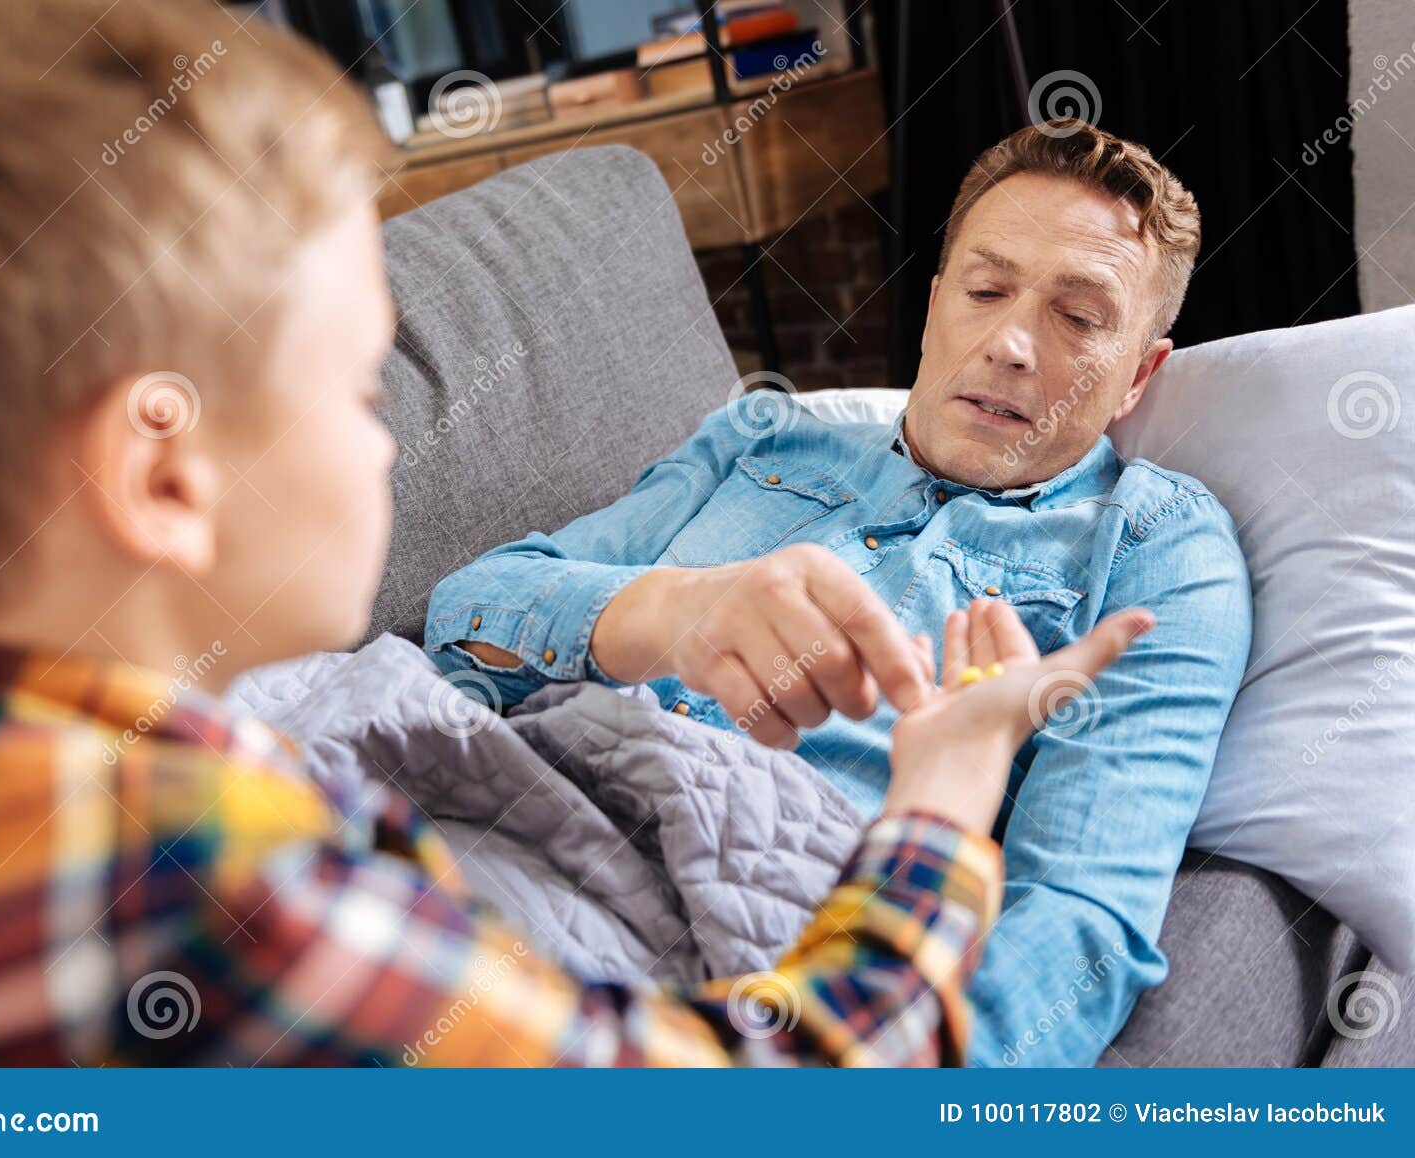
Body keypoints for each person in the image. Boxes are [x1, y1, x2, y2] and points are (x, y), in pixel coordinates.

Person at [0, 0, 1152, 1069]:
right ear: (163, 481)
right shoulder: (244, 892)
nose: (388, 432)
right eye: (355, 384)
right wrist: (942, 799)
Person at [427, 122, 1252, 1066]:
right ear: (937, 304)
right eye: (986, 291)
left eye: (1079, 317)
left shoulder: (1155, 547)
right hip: (503, 811)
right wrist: (668, 611)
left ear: (1138, 376)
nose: (1013, 343)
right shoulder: (760, 439)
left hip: (755, 943)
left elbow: (1078, 919)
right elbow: (467, 611)